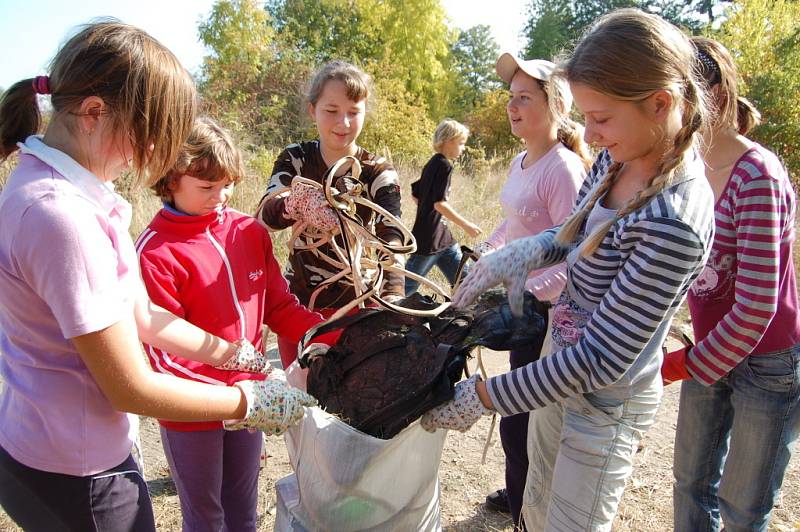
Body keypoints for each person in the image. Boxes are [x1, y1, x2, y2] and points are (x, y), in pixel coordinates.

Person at [0, 22, 314, 531]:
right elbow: (130, 387)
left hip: (62, 449)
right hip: (75, 470)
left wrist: (233, 354)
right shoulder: (60, 215)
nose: (147, 156)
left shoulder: (75, 196)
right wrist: (249, 400)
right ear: (95, 113)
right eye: (148, 136)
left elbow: (143, 314)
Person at [421, 9, 716, 530]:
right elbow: (574, 233)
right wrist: (520, 253)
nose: (591, 134)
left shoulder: (675, 220)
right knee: (534, 507)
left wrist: (482, 396)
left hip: (603, 405)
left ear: (660, 104)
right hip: (557, 365)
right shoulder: (618, 156)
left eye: (601, 118)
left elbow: (599, 360)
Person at [138, 117, 335, 531]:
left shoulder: (248, 232)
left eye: (227, 184)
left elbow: (278, 306)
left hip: (252, 401)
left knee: (243, 508)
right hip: (190, 411)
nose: (221, 196)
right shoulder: (155, 252)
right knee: (206, 515)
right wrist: (231, 395)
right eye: (207, 187)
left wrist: (331, 335)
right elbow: (162, 356)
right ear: (170, 180)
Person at [664, 37, 800, 532]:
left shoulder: (757, 174)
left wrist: (684, 365)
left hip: (767, 361)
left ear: (713, 93)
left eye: (674, 92)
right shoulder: (685, 170)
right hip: (710, 350)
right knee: (690, 484)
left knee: (745, 506)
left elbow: (758, 306)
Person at [479, 54, 590, 525]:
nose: (513, 107)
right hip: (521, 305)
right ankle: (518, 494)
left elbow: (574, 253)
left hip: (545, 313)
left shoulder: (563, 168)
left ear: (556, 105)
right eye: (511, 98)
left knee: (524, 419)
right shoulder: (522, 160)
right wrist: (485, 253)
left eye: (525, 98)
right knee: (516, 418)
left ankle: (529, 508)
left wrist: (522, 290)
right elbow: (515, 223)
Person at [257, 60, 404, 369]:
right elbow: (263, 217)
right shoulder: (295, 158)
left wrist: (394, 299)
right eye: (332, 111)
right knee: (303, 402)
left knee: (356, 403)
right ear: (313, 110)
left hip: (360, 306)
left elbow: (393, 236)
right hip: (299, 306)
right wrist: (294, 204)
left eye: (354, 111)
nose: (344, 122)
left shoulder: (379, 171)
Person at [404, 119, 482, 295]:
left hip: (443, 239)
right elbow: (439, 204)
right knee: (405, 288)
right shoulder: (444, 166)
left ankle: (471, 315)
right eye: (461, 144)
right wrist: (467, 225)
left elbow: (416, 193)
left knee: (467, 281)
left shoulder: (432, 163)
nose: (463, 149)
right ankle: (389, 317)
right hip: (429, 239)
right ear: (449, 140)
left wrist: (427, 210)